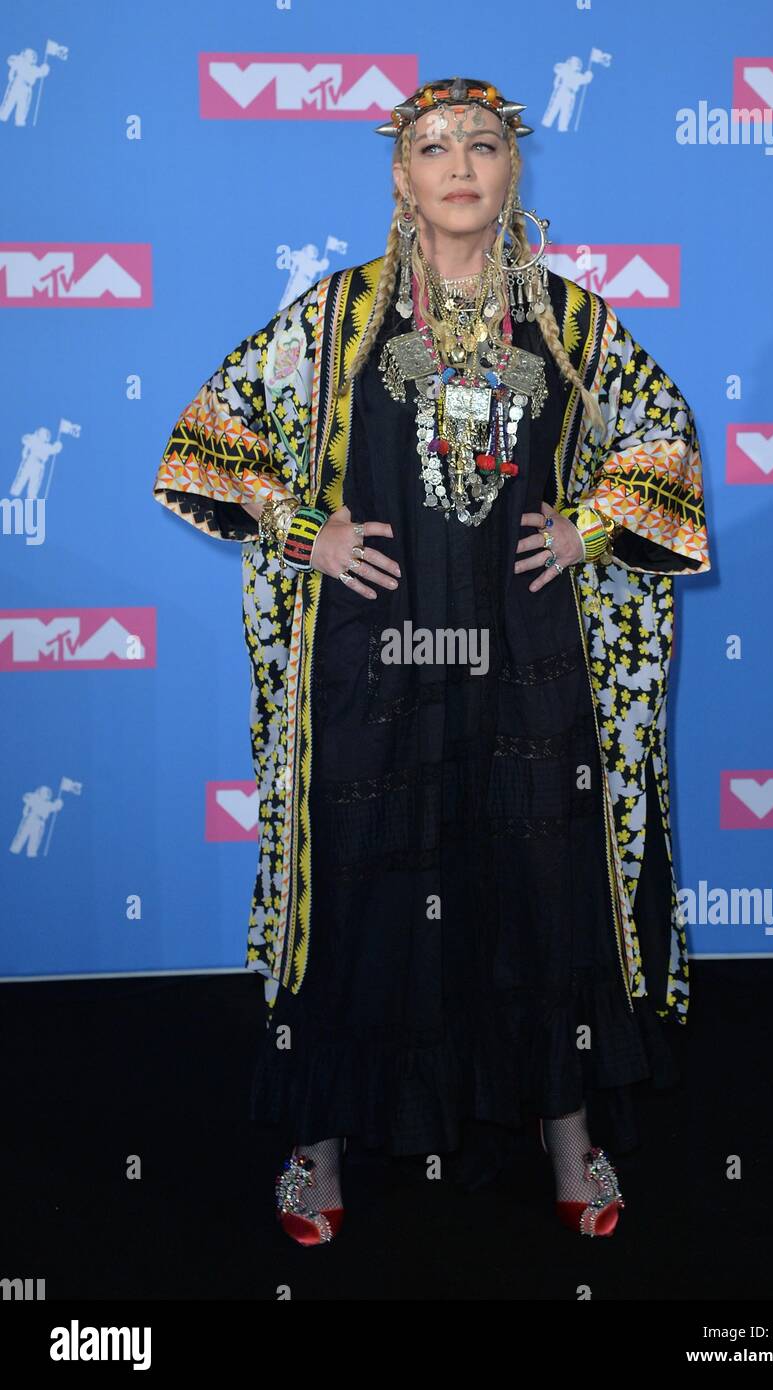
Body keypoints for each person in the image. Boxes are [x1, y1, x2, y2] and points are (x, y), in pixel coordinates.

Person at [154, 76, 711, 1246]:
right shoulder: (337, 318)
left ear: (514, 170)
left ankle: (571, 1136)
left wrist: (590, 528)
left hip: (529, 662)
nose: (460, 163)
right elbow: (206, 444)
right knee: (355, 885)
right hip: (378, 660)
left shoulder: (570, 322)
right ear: (399, 176)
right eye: (432, 145)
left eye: (484, 145)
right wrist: (308, 531)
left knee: (541, 884)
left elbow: (660, 438)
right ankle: (315, 1148)